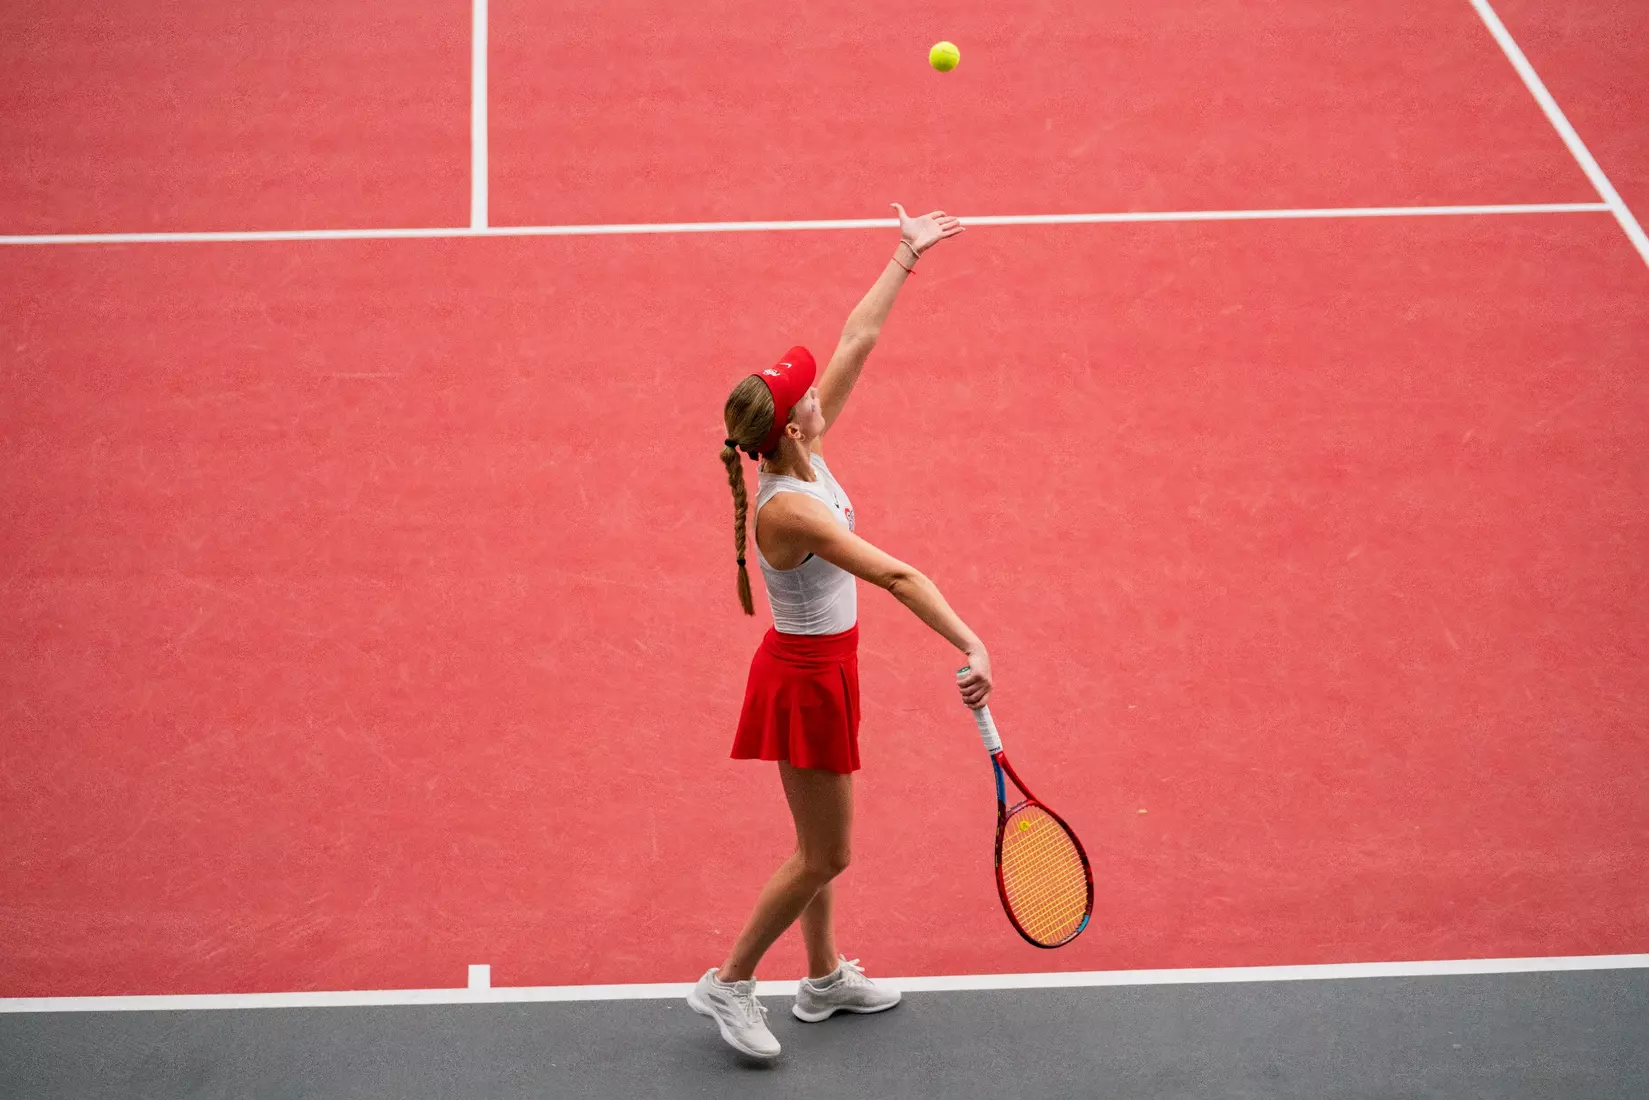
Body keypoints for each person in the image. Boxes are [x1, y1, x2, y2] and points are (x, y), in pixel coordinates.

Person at [688, 203, 993, 1061]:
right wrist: (972, 643)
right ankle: (728, 982)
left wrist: (904, 256)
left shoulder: (800, 454)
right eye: (807, 397)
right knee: (827, 853)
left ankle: (820, 981)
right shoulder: (792, 511)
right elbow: (896, 576)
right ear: (789, 428)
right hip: (807, 680)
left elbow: (854, 341)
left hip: (827, 668)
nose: (822, 394)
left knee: (816, 846)